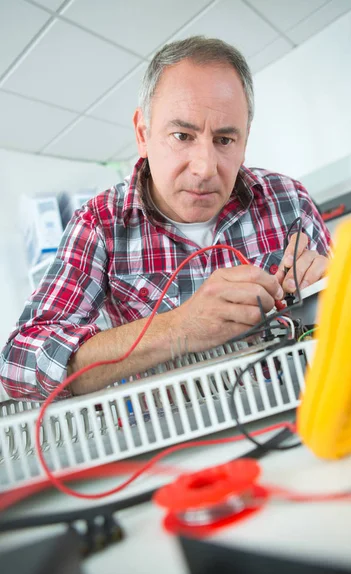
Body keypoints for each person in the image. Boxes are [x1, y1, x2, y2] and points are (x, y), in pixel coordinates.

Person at [0, 36, 331, 402]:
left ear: (245, 139)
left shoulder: (290, 201)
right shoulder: (100, 225)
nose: (205, 168)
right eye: (182, 135)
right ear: (143, 134)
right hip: (168, 440)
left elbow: (349, 323)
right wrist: (179, 327)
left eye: (224, 140)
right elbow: (19, 364)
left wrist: (329, 289)